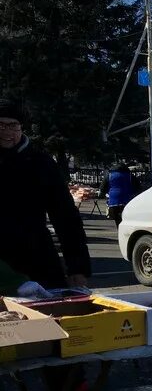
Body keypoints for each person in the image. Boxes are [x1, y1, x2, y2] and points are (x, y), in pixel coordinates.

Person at [0, 99, 91, 289]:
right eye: (1, 125)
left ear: (21, 128)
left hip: (37, 259)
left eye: (13, 125)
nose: (7, 132)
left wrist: (77, 268)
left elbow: (66, 217)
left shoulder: (40, 163)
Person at [103, 163, 136, 227]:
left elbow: (103, 186)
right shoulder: (130, 176)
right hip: (127, 199)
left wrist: (105, 193)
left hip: (114, 200)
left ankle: (119, 227)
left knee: (116, 217)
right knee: (127, 217)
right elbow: (137, 186)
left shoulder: (110, 175)